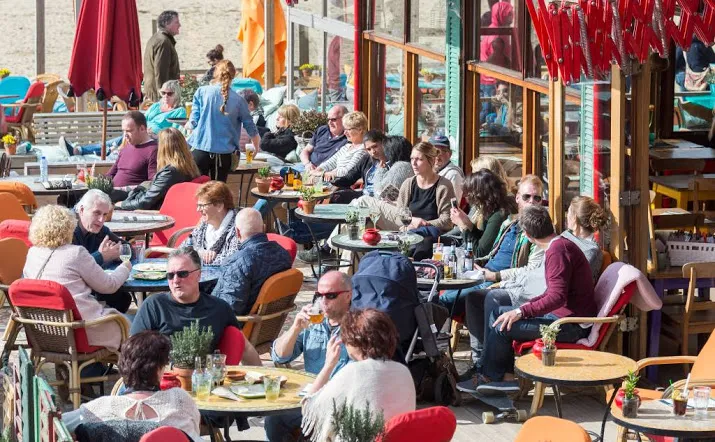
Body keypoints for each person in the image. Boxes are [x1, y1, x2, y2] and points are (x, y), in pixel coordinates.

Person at [461, 195, 608, 379]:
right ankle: (500, 376)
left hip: (571, 326)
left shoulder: (558, 251)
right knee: (498, 315)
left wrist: (520, 312)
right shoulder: (560, 245)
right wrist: (521, 309)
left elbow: (557, 297)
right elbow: (553, 293)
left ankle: (493, 378)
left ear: (528, 236)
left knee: (501, 325)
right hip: (562, 318)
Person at [130, 247, 262, 365]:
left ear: (199, 275)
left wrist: (261, 380)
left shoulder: (219, 308)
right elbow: (133, 351)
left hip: (205, 383)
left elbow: (245, 347)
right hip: (162, 381)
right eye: (170, 275)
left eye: (182, 274)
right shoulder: (154, 306)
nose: (175, 280)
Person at [438, 175, 545, 319]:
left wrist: (494, 276)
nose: (532, 202)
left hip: (500, 282)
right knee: (436, 293)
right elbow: (489, 253)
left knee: (444, 302)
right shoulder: (509, 223)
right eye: (527, 197)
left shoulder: (540, 232)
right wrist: (472, 263)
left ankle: (423, 338)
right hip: (481, 274)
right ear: (517, 198)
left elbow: (531, 272)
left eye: (536, 198)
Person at [24, 205, 131, 350]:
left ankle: (96, 368)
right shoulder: (75, 253)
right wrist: (125, 267)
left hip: (46, 331)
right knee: (136, 325)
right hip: (82, 330)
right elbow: (109, 285)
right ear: (69, 228)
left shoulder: (33, 253)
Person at [61, 331, 202, 441]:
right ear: (159, 369)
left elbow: (56, 425)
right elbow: (195, 433)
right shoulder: (180, 400)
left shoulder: (98, 409)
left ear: (122, 365)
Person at [301, 308, 416, 442]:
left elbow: (310, 410)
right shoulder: (403, 371)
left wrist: (328, 365)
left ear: (356, 341)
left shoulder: (353, 372)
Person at [266, 271, 352, 442]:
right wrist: (296, 328)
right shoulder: (313, 323)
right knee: (274, 418)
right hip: (310, 399)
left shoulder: (358, 327)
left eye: (331, 296)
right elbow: (279, 356)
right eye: (319, 295)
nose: (323, 302)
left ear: (348, 296)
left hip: (341, 404)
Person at [64, 81, 187, 157]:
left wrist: (156, 135)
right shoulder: (156, 106)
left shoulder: (178, 111)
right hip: (140, 132)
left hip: (154, 139)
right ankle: (84, 150)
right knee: (123, 137)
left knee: (121, 139)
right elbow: (142, 118)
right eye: (163, 93)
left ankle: (80, 150)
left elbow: (175, 134)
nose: (165, 96)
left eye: (169, 93)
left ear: (176, 95)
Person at [186, 60, 260, 182]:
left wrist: (188, 125)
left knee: (197, 193)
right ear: (233, 76)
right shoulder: (239, 100)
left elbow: (193, 122)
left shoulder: (201, 92)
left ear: (215, 74)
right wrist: (256, 147)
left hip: (200, 151)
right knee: (218, 196)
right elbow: (251, 127)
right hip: (224, 156)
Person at [380, 142, 455, 260]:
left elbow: (447, 221)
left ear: (431, 160)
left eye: (419, 159)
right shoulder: (408, 183)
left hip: (429, 238)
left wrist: (422, 224)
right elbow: (399, 215)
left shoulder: (443, 186)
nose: (414, 163)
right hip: (407, 234)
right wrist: (411, 223)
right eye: (412, 159)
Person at [211, 208, 292, 315]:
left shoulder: (237, 263)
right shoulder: (284, 255)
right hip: (268, 322)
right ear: (263, 228)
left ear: (237, 232)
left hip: (240, 326)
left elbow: (226, 311)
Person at [73, 190, 133, 313]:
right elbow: (72, 266)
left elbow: (127, 247)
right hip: (76, 293)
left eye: (105, 214)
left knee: (122, 298)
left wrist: (118, 252)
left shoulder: (99, 230)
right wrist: (101, 256)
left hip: (95, 283)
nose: (101, 220)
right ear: (82, 210)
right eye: (97, 213)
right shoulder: (68, 231)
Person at [115, 128, 200, 211]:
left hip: (157, 213)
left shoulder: (170, 172)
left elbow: (145, 203)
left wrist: (122, 205)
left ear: (163, 147)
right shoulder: (189, 166)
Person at [451, 169, 517, 257]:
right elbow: (484, 239)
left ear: (479, 195)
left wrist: (463, 226)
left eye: (468, 193)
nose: (466, 197)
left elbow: (480, 252)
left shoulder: (498, 215)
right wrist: (468, 224)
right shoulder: (495, 208)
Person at [181, 181, 240, 265]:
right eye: (198, 205)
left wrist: (203, 258)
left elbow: (232, 260)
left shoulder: (237, 226)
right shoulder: (204, 223)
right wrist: (200, 253)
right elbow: (183, 248)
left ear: (219, 206)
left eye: (202, 205)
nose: (198, 210)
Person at [310, 111, 369, 181]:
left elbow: (347, 172)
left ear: (360, 130)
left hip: (346, 185)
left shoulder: (363, 149)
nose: (345, 133)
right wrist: (317, 170)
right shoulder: (347, 146)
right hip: (335, 181)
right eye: (345, 129)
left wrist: (323, 174)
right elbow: (331, 162)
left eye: (348, 129)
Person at [105, 111, 159, 189]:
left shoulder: (153, 150)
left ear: (142, 129)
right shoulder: (126, 147)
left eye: (129, 131)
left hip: (130, 197)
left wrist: (124, 190)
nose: (125, 135)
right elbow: (110, 174)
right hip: (112, 193)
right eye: (123, 131)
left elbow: (152, 184)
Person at [143, 10, 181, 102]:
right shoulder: (163, 42)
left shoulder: (159, 38)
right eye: (176, 22)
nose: (179, 25)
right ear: (166, 24)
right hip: (160, 94)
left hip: (156, 91)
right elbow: (161, 72)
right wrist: (164, 96)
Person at [299, 105, 349, 171]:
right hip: (307, 166)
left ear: (344, 119)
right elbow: (306, 150)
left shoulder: (348, 138)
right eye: (328, 119)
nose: (330, 122)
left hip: (324, 173)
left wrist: (319, 171)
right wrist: (307, 164)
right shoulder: (323, 130)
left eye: (333, 119)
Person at [430, 134, 465, 203]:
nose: (436, 156)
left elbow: (453, 206)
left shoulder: (453, 174)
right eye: (432, 152)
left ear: (450, 153)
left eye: (440, 152)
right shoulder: (430, 171)